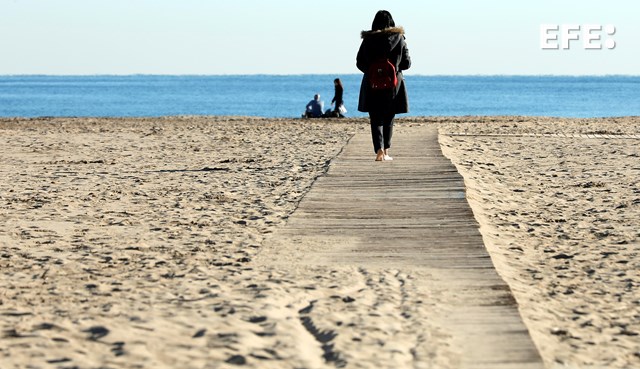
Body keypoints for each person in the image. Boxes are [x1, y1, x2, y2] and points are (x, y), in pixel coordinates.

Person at [356, 10, 411, 161]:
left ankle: (379, 150)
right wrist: (395, 67)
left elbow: (359, 62)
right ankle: (386, 151)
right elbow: (407, 63)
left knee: (375, 118)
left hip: (372, 84)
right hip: (394, 85)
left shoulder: (368, 40)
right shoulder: (399, 38)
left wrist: (372, 72)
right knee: (389, 117)